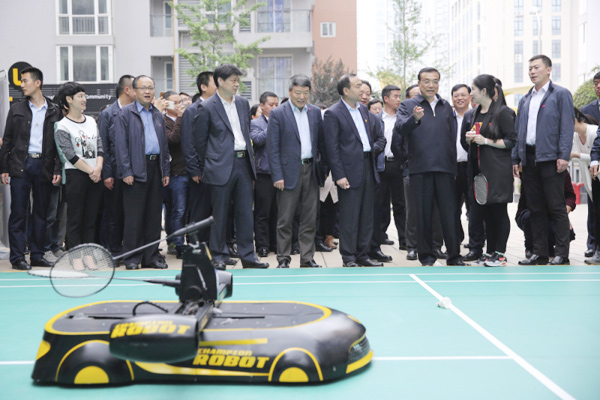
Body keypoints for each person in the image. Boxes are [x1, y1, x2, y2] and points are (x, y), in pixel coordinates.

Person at [193, 64, 268, 269]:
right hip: (220, 166)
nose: (237, 84)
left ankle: (248, 256)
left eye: (237, 80)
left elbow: (245, 131)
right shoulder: (207, 107)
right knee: (219, 213)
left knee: (245, 212)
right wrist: (211, 162)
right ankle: (218, 255)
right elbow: (200, 141)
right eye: (233, 80)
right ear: (219, 81)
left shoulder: (243, 103)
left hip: (244, 163)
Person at [394, 67, 464, 266]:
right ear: (419, 83)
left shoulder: (445, 106)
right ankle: (426, 257)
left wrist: (453, 168)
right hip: (420, 169)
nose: (431, 85)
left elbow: (451, 138)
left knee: (449, 215)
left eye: (435, 81)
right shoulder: (408, 105)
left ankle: (454, 256)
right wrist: (414, 119)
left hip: (445, 169)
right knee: (422, 215)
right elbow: (400, 129)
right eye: (426, 81)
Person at [512, 55, 575, 265]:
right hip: (529, 159)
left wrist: (563, 155)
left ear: (549, 70)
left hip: (551, 158)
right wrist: (516, 157)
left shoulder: (561, 94)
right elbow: (519, 131)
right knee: (535, 207)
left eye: (536, 67)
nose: (531, 71)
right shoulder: (526, 99)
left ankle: (562, 253)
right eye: (529, 68)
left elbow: (567, 127)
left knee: (556, 207)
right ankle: (539, 252)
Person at [0, 67, 62, 270]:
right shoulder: (16, 109)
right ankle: (17, 258)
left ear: (38, 83)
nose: (22, 85)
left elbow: (59, 144)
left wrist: (57, 169)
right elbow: (7, 140)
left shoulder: (54, 110)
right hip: (20, 165)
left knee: (42, 214)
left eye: (25, 81)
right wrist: (4, 167)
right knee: (18, 212)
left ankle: (37, 255)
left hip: (44, 165)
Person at [323, 74, 386, 267]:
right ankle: (349, 257)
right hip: (348, 172)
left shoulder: (364, 111)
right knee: (350, 217)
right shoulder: (333, 113)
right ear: (346, 90)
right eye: (358, 86)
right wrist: (339, 175)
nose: (362, 90)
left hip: (368, 166)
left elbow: (378, 139)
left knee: (367, 215)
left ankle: (363, 254)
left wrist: (370, 150)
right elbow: (331, 148)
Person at [267, 75, 326, 269]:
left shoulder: (315, 112)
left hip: (311, 170)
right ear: (290, 92)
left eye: (306, 93)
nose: (302, 97)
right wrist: (277, 175)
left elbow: (321, 144)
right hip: (287, 173)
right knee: (285, 219)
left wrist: (322, 171)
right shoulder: (278, 113)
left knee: (310, 218)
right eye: (298, 93)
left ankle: (307, 258)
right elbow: (272, 148)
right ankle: (283, 258)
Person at [115, 75, 170, 270]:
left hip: (156, 168)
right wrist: (126, 171)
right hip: (135, 169)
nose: (148, 91)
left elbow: (163, 144)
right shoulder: (125, 114)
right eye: (143, 88)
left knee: (154, 217)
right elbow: (120, 146)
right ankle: (131, 258)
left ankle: (151, 257)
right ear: (134, 91)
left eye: (151, 88)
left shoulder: (157, 114)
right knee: (134, 218)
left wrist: (165, 170)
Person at [463, 75, 516, 267]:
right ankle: (490, 253)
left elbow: (511, 141)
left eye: (473, 89)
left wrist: (485, 141)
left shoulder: (503, 112)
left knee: (499, 212)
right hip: (480, 172)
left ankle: (500, 254)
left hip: (498, 171)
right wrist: (471, 138)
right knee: (486, 214)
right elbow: (476, 137)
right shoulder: (476, 113)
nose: (471, 94)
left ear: (484, 91)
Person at [54, 81, 104, 249]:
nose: (84, 99)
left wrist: (98, 168)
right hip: (76, 175)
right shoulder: (62, 125)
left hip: (95, 175)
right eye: (80, 96)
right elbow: (69, 155)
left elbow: (100, 147)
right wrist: (91, 170)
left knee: (90, 219)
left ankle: (88, 253)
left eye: (85, 96)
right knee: (75, 219)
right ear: (69, 99)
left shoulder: (91, 121)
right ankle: (75, 254)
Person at [97, 74, 136, 257]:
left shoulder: (137, 111)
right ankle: (113, 250)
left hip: (134, 171)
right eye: (137, 88)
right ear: (127, 90)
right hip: (114, 170)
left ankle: (128, 248)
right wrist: (107, 174)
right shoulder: (108, 113)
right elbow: (103, 145)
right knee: (114, 214)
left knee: (131, 214)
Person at [181, 71, 217, 246]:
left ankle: (214, 248)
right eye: (214, 83)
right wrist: (194, 169)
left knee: (215, 210)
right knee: (199, 210)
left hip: (217, 168)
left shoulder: (219, 107)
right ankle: (196, 246)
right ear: (203, 87)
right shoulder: (192, 110)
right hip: (201, 171)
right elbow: (188, 143)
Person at [371, 84, 404, 263]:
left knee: (401, 204)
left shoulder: (402, 118)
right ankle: (378, 239)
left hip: (398, 165)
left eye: (400, 96)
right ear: (386, 99)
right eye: (396, 96)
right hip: (380, 165)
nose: (399, 99)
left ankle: (405, 241)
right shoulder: (375, 119)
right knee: (379, 205)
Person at [251, 91, 279, 258]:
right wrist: (272, 125)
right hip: (263, 173)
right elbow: (258, 140)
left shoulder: (282, 122)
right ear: (262, 106)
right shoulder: (256, 123)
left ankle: (276, 243)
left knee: (278, 211)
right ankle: (262, 245)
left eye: (277, 105)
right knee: (263, 212)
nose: (274, 108)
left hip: (279, 173)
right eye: (271, 105)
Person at [163, 91, 188, 259]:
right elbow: (173, 139)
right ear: (166, 104)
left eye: (181, 101)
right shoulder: (162, 121)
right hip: (175, 172)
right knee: (176, 210)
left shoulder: (186, 118)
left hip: (189, 170)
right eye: (175, 102)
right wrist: (179, 118)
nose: (180, 104)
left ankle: (183, 242)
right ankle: (177, 244)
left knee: (185, 211)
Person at [570, 109, 599, 259]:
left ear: (574, 120)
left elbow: (595, 156)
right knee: (594, 215)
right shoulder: (575, 135)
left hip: (597, 177)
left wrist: (575, 155)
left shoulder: (594, 132)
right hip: (590, 181)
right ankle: (594, 247)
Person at [451, 84, 471, 252]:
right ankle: (455, 239)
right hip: (452, 169)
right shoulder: (447, 118)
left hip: (471, 168)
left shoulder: (475, 117)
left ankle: (475, 243)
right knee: (452, 207)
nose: (460, 98)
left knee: (474, 209)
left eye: (463, 94)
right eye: (456, 95)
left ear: (470, 97)